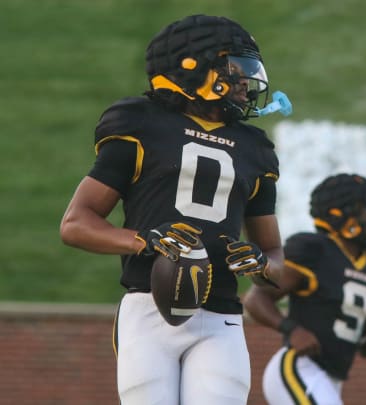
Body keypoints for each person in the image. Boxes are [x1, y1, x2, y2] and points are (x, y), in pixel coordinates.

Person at [59, 14, 288, 404]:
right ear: (192, 67)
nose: (245, 83)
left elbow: (276, 256)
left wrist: (263, 267)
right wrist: (144, 240)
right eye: (234, 70)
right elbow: (76, 223)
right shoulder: (141, 124)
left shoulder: (255, 148)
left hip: (221, 315)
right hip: (148, 305)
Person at [244, 173, 366, 405]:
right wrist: (291, 329)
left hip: (332, 379)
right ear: (341, 213)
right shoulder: (315, 250)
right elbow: (255, 300)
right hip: (299, 367)